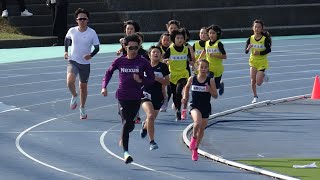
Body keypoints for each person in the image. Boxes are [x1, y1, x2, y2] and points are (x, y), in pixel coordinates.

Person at [101, 34, 155, 164]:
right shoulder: (120, 61)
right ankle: (126, 153)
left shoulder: (143, 61)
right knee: (126, 123)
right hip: (122, 97)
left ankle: (123, 136)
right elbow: (109, 72)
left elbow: (151, 79)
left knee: (130, 125)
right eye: (131, 48)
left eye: (136, 48)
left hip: (136, 97)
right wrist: (104, 87)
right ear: (125, 47)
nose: (133, 50)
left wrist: (141, 79)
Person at [64, 8, 100, 119]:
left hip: (85, 63)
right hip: (73, 60)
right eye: (80, 19)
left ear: (87, 20)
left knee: (83, 87)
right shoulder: (72, 30)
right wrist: (66, 51)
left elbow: (97, 47)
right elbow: (66, 39)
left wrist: (91, 55)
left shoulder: (92, 32)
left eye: (84, 19)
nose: (82, 21)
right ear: (77, 20)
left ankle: (82, 107)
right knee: (70, 82)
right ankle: (74, 95)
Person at [182, 59, 218, 161]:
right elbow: (187, 88)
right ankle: (193, 138)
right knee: (197, 123)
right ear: (197, 68)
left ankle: (195, 149)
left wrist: (209, 90)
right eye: (201, 67)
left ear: (208, 69)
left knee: (201, 130)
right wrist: (185, 97)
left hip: (206, 107)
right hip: (194, 106)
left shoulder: (210, 80)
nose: (203, 69)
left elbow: (215, 95)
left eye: (205, 67)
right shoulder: (192, 79)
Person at [140, 46, 170, 150]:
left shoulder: (163, 67)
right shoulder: (144, 66)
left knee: (151, 118)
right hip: (145, 94)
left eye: (158, 52)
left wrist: (156, 78)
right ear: (149, 55)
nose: (155, 54)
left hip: (158, 96)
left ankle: (145, 126)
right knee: (151, 115)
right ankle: (152, 142)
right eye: (153, 52)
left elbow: (167, 82)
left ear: (161, 55)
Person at [163, 30, 192, 121]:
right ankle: (177, 109)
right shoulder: (170, 50)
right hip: (172, 75)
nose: (180, 40)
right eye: (177, 38)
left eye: (181, 38)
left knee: (179, 91)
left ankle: (179, 110)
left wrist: (195, 65)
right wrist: (165, 61)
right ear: (173, 39)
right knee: (175, 95)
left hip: (183, 74)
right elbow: (163, 58)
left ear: (184, 39)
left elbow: (190, 60)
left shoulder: (186, 49)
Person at [245, 19, 272, 103]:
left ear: (262, 29)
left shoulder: (264, 39)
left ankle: (263, 75)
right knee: (252, 80)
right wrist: (248, 48)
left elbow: (268, 50)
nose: (257, 29)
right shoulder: (250, 39)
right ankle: (255, 96)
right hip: (253, 61)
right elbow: (246, 51)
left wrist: (259, 52)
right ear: (253, 28)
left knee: (259, 83)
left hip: (262, 62)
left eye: (259, 27)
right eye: (255, 27)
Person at [198, 25, 227, 96]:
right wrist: (199, 59)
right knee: (207, 80)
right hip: (209, 67)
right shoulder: (207, 43)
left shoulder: (219, 44)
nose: (211, 35)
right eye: (210, 33)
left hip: (217, 68)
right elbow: (204, 51)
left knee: (216, 86)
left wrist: (214, 55)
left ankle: (220, 85)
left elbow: (224, 56)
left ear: (217, 34)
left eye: (213, 33)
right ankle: (205, 95)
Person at [157, 32, 171, 112]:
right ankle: (164, 102)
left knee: (171, 89)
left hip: (172, 71)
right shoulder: (158, 49)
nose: (166, 42)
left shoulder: (172, 49)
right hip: (161, 70)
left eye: (168, 40)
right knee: (162, 88)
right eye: (164, 40)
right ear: (161, 40)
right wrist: (163, 61)